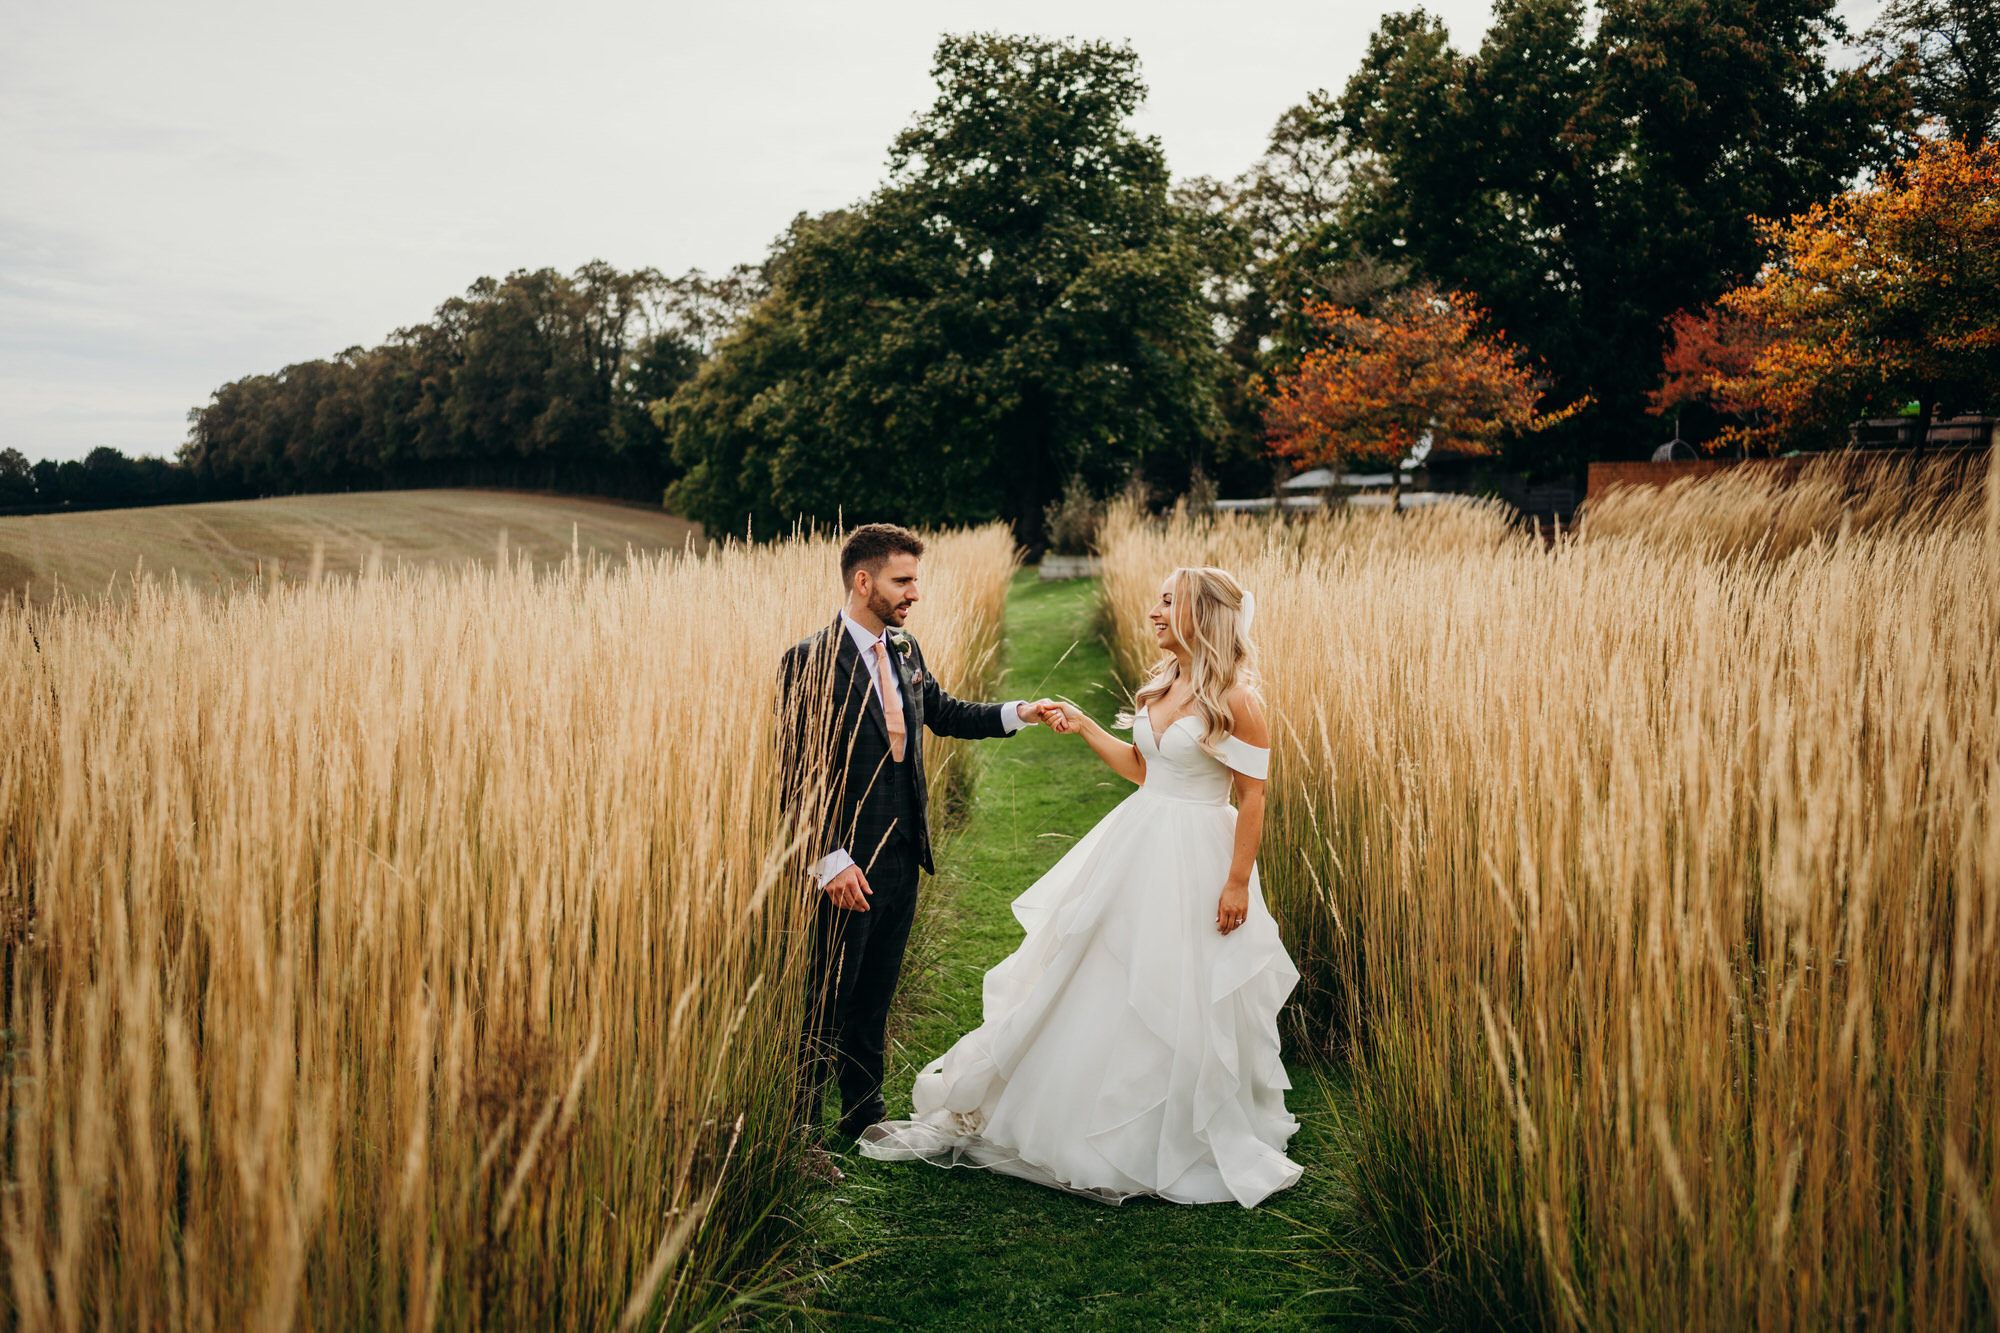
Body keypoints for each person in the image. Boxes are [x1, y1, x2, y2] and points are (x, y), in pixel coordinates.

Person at [858, 565, 1302, 1207]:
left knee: (1178, 983)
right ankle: (1076, 1111)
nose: (1153, 611)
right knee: (1099, 969)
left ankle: (1177, 1130)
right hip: (1139, 840)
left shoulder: (1237, 699)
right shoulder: (1164, 685)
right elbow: (1144, 770)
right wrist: (1087, 725)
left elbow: (1254, 796)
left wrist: (1237, 882)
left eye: (1168, 601)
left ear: (1202, 614)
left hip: (1198, 853)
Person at [778, 524, 1057, 1147]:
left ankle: (862, 1117)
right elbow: (794, 770)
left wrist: (1021, 713)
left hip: (905, 852)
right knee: (827, 1000)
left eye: (914, 580)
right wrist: (828, 859)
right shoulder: (809, 661)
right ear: (863, 580)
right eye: (902, 581)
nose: (914, 593)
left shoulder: (904, 649)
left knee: (875, 992)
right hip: (846, 861)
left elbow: (946, 712)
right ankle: (797, 1139)